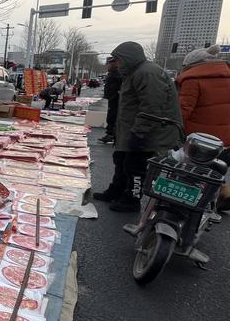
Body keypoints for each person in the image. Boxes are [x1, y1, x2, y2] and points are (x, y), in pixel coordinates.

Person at [93, 42, 182, 212]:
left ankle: (132, 199)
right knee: (121, 159)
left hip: (149, 131)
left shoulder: (147, 73)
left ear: (127, 59)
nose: (117, 64)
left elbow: (152, 107)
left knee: (135, 165)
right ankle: (116, 189)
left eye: (118, 60)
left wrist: (139, 132)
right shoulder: (133, 72)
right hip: (131, 128)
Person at [176, 45, 230, 212]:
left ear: (192, 65)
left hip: (199, 139)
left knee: (190, 174)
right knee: (215, 173)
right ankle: (217, 199)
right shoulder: (227, 77)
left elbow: (183, 110)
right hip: (225, 140)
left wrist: (172, 129)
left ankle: (186, 208)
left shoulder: (193, 79)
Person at [98, 56, 122, 144]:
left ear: (113, 64)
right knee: (111, 116)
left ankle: (111, 135)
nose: (107, 66)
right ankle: (110, 134)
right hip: (112, 98)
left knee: (112, 116)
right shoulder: (112, 73)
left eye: (108, 64)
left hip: (115, 98)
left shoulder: (117, 74)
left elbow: (119, 85)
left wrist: (115, 93)